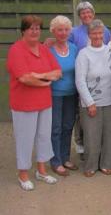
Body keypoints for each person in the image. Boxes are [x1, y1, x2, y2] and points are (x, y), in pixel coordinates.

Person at [7, 15, 61, 191]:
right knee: (25, 139)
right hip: (24, 104)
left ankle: (41, 170)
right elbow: (23, 78)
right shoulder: (16, 50)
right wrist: (45, 79)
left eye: (38, 28)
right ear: (23, 30)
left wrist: (38, 76)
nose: (35, 31)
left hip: (44, 102)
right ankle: (23, 173)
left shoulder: (44, 50)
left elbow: (58, 72)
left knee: (44, 137)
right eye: (31, 28)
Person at [75, 19, 111, 177]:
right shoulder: (83, 54)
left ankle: (106, 163)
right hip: (91, 102)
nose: (97, 35)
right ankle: (91, 165)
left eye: (100, 33)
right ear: (89, 34)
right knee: (91, 135)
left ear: (104, 34)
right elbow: (80, 81)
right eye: (94, 33)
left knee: (109, 134)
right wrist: (89, 102)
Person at [70, 1, 111, 160]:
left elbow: (107, 49)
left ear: (93, 14)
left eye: (89, 12)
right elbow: (67, 46)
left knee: (101, 117)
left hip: (100, 80)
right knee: (81, 114)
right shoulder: (74, 32)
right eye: (83, 13)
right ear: (79, 16)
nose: (86, 15)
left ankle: (98, 147)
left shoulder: (104, 29)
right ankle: (81, 145)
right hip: (81, 75)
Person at [48, 16, 79, 176]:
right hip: (54, 94)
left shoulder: (74, 48)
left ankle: (66, 157)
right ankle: (56, 160)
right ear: (53, 31)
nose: (63, 32)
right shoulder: (48, 49)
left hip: (71, 94)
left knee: (68, 126)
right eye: (60, 29)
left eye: (66, 29)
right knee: (56, 128)